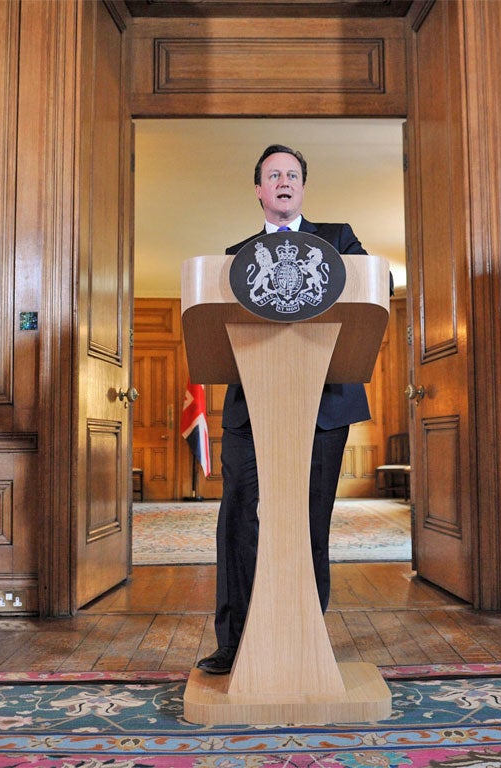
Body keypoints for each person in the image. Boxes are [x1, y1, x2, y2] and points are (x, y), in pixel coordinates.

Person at [196, 144, 372, 675]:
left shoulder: (339, 239)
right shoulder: (235, 254)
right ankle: (236, 640)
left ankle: (304, 635)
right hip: (251, 410)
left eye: (292, 174)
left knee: (310, 521)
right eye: (273, 174)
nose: (283, 181)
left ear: (302, 187)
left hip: (323, 409)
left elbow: (374, 286)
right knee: (239, 521)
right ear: (258, 190)